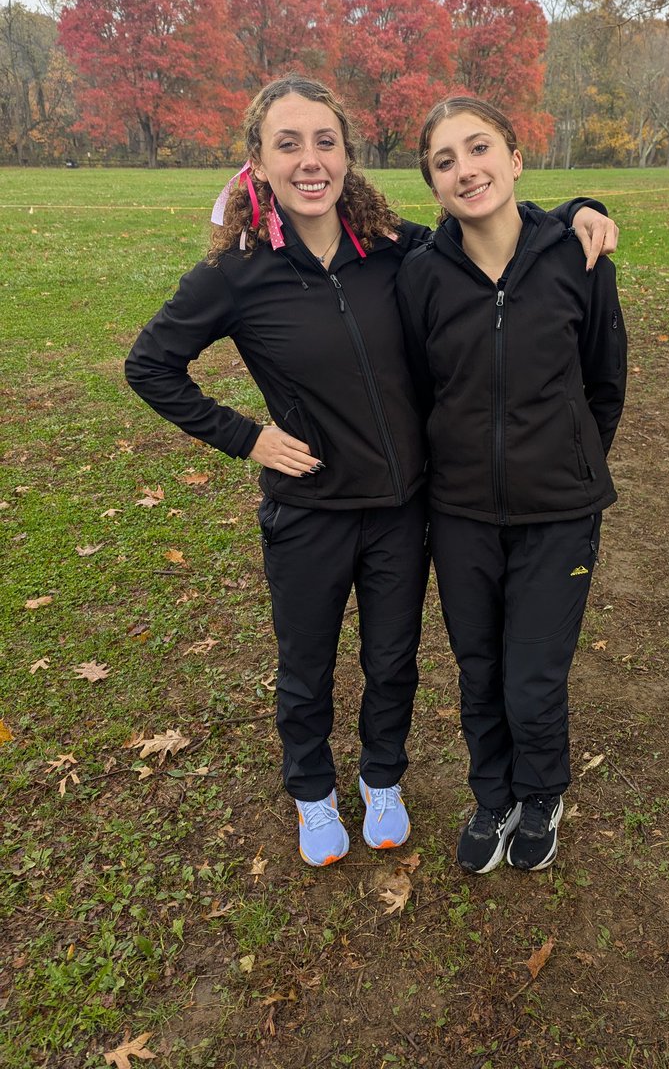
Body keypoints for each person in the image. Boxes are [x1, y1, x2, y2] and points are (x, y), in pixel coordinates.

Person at [125, 74, 618, 868]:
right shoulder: (238, 271)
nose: (310, 160)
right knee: (307, 664)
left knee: (393, 660)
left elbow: (491, 227)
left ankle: (381, 779)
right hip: (309, 511)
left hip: (403, 508)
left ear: (349, 155)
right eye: (288, 144)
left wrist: (575, 211)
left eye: (325, 142)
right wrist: (248, 438)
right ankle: (314, 793)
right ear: (258, 159)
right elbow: (150, 366)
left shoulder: (395, 251)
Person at [397, 97, 627, 874]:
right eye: (445, 161)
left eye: (479, 147)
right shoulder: (422, 277)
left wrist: (566, 461)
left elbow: (604, 383)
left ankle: (541, 793)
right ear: (432, 184)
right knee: (479, 671)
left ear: (516, 157)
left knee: (532, 678)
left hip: (558, 514)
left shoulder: (577, 257)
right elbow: (420, 392)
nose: (467, 169)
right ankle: (491, 795)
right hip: (460, 516)